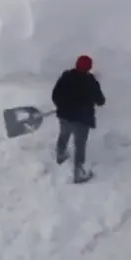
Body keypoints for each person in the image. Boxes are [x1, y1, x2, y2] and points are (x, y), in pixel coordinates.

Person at [51, 55, 104, 183]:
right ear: (89, 68)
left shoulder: (66, 76)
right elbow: (101, 100)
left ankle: (60, 154)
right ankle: (78, 173)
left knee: (64, 135)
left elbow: (55, 95)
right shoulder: (90, 81)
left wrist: (61, 106)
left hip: (65, 115)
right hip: (82, 120)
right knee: (80, 145)